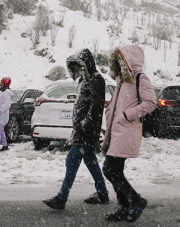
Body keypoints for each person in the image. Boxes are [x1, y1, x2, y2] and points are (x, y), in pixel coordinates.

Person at [43, 48, 109, 210]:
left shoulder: (96, 79)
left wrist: (85, 125)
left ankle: (62, 197)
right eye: (75, 68)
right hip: (80, 129)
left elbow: (96, 107)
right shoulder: (82, 81)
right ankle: (102, 193)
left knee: (72, 160)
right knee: (91, 161)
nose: (78, 70)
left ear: (87, 64)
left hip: (87, 130)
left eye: (80, 66)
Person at [101, 45, 157, 222]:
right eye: (116, 59)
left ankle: (136, 200)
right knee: (115, 170)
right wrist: (111, 108)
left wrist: (127, 115)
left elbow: (150, 102)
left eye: (121, 59)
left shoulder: (140, 78)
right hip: (116, 131)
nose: (118, 62)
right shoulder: (122, 80)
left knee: (110, 169)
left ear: (129, 60)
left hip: (127, 130)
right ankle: (123, 208)